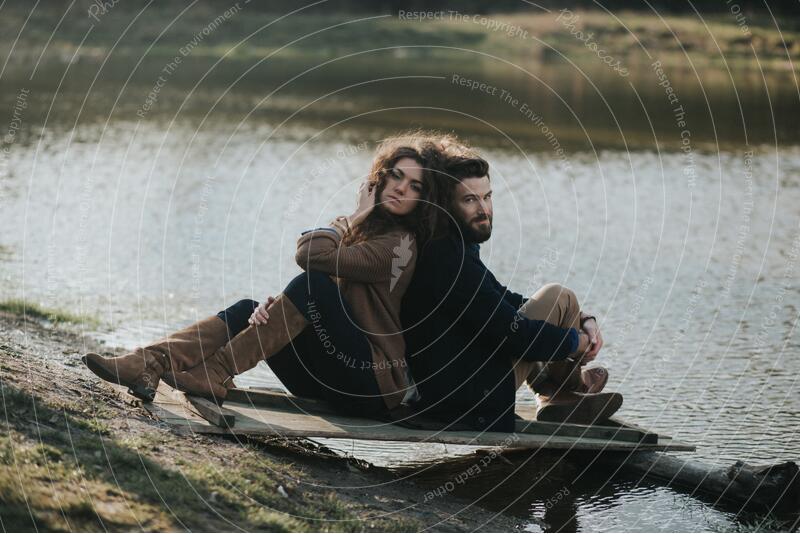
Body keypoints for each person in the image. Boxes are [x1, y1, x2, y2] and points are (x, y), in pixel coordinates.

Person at [82, 133, 446, 419]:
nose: (401, 188)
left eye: (414, 186)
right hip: (334, 377)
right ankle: (150, 363)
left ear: (423, 199)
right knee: (250, 309)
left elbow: (309, 255)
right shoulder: (366, 235)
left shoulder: (399, 244)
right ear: (378, 180)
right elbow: (327, 299)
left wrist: (353, 214)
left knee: (310, 284)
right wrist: (279, 312)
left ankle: (216, 372)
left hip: (372, 387)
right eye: (396, 176)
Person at [401, 138, 622, 432]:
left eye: (487, 197)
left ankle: (558, 392)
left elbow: (501, 298)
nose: (484, 209)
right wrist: (576, 342)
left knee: (561, 300)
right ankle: (563, 390)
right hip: (463, 401)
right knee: (556, 300)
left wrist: (584, 319)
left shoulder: (453, 245)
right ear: (446, 205)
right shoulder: (447, 258)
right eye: (470, 200)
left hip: (458, 381)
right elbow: (514, 334)